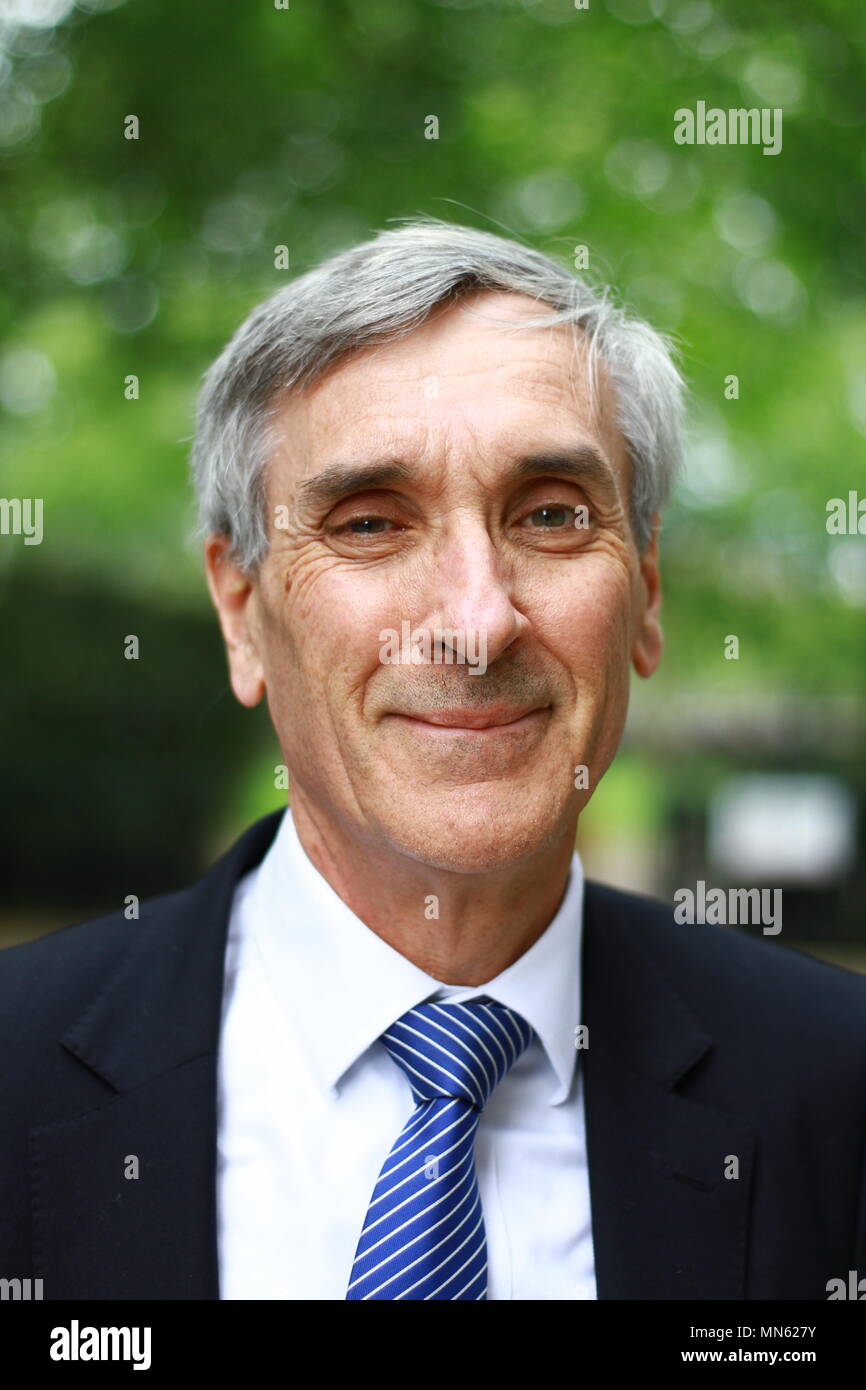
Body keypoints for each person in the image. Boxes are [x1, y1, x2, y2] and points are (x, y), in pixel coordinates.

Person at [2, 219, 864, 1300]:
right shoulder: (16, 1069)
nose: (473, 621)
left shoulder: (834, 1087)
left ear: (644, 591)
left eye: (550, 514)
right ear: (239, 610)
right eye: (368, 524)